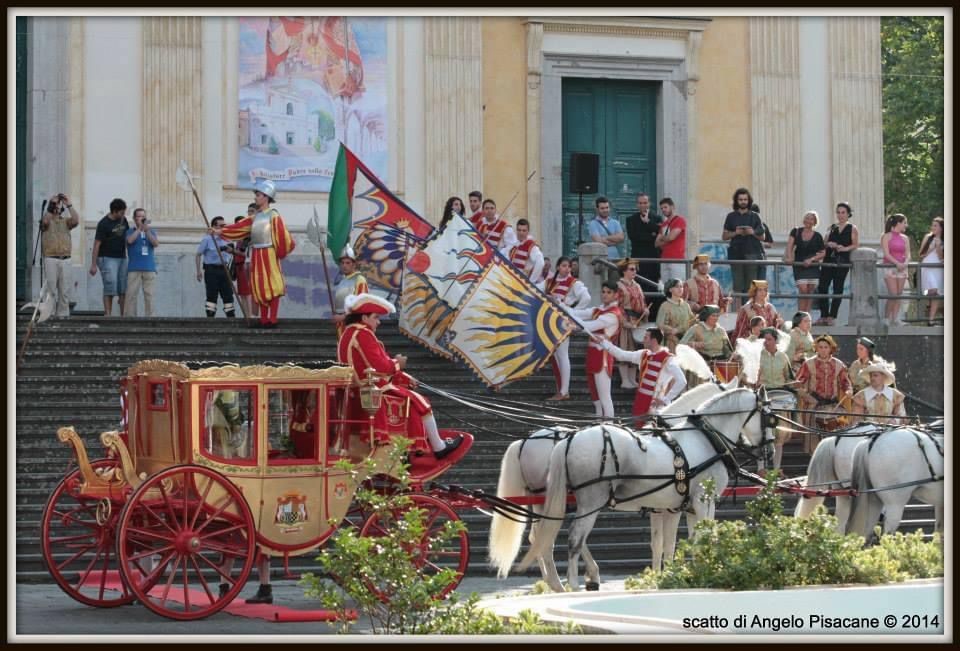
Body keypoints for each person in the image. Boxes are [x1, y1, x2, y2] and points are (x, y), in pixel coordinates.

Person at [337, 292, 464, 458]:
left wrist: (403, 376)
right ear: (364, 318)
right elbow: (381, 367)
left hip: (360, 389)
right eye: (375, 317)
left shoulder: (347, 334)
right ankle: (438, 447)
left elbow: (367, 366)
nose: (378, 322)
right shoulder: (363, 334)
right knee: (420, 401)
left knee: (415, 399)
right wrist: (398, 363)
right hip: (373, 389)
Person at [219, 180, 296, 328]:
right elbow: (239, 227)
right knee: (260, 285)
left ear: (266, 197)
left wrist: (279, 253)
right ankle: (264, 318)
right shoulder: (256, 217)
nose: (255, 198)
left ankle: (272, 318)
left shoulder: (273, 215)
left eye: (258, 195)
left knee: (273, 284)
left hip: (269, 253)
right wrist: (220, 231)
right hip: (257, 253)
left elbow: (282, 235)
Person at [601, 326, 686, 427]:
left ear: (653, 340)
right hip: (640, 403)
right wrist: (604, 343)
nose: (643, 340)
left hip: (656, 407)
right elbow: (621, 355)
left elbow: (682, 381)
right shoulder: (643, 354)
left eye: (646, 337)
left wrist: (666, 399)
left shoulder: (668, 359)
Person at [569, 282, 623, 418]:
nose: (604, 295)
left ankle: (609, 426)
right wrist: (562, 307)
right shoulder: (599, 310)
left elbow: (590, 326)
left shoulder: (613, 314)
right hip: (593, 354)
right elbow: (579, 313)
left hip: (603, 356)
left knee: (605, 397)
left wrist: (570, 323)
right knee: (595, 397)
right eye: (603, 291)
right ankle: (599, 423)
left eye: (608, 292)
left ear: (616, 295)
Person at [795, 334, 853, 453]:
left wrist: (848, 390)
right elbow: (799, 382)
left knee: (839, 432)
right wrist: (804, 393)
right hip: (814, 406)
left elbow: (845, 382)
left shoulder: (839, 364)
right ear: (816, 348)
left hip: (833, 405)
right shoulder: (808, 364)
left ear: (831, 348)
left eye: (826, 347)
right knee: (814, 440)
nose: (823, 349)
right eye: (820, 347)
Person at [544, 256, 591, 401]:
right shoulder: (550, 282)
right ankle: (562, 389)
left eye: (569, 266)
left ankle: (564, 391)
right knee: (558, 356)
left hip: (563, 322)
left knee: (563, 355)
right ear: (558, 267)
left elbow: (586, 298)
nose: (566, 269)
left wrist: (572, 312)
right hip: (551, 321)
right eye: (564, 266)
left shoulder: (573, 283)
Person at [755, 327, 796, 469]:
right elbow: (748, 376)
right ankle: (761, 469)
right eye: (764, 340)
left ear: (775, 341)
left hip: (780, 396)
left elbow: (790, 377)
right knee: (763, 433)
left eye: (769, 339)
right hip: (763, 395)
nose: (766, 342)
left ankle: (777, 469)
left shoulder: (783, 357)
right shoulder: (757, 355)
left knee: (780, 433)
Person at [815, 202, 859, 326]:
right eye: (838, 212)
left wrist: (843, 248)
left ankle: (832, 316)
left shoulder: (852, 228)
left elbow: (855, 244)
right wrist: (829, 244)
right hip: (828, 259)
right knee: (823, 286)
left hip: (842, 261)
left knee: (837, 288)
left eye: (843, 212)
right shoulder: (832, 227)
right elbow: (824, 243)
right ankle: (823, 315)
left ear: (848, 214)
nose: (840, 215)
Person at [721, 188, 765, 310]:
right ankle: (737, 314)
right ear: (736, 201)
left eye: (745, 199)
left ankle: (751, 312)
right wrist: (735, 233)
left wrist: (752, 232)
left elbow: (763, 236)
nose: (743, 201)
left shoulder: (755, 216)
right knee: (737, 286)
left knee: (751, 286)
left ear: (749, 200)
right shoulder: (731, 216)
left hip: (752, 253)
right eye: (740, 199)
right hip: (736, 254)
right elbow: (724, 236)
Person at [40, 193, 80, 319]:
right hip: (51, 257)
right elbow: (45, 221)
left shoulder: (66, 221)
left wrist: (69, 204)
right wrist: (52, 204)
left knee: (64, 289)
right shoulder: (46, 219)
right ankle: (49, 313)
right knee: (51, 288)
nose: (57, 207)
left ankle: (63, 314)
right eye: (55, 205)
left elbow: (76, 220)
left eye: (58, 205)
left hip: (65, 258)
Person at [89, 198, 130, 316]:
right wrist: (93, 265)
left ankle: (123, 315)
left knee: (123, 287)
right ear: (115, 211)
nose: (123, 215)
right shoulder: (103, 224)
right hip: (106, 258)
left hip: (122, 258)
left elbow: (126, 238)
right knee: (110, 285)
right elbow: (97, 244)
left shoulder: (124, 220)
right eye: (122, 212)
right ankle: (108, 314)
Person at [615, 259, 649, 389]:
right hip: (626, 320)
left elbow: (642, 301)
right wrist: (625, 323)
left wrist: (645, 310)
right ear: (624, 270)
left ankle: (632, 378)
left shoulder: (637, 285)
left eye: (635, 269)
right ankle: (625, 380)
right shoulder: (619, 286)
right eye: (632, 269)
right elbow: (618, 307)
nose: (635, 271)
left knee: (635, 350)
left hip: (637, 320)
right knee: (625, 348)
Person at [784, 211, 826, 314]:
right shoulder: (796, 231)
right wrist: (789, 257)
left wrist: (812, 259)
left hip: (812, 266)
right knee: (803, 289)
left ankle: (807, 315)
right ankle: (800, 314)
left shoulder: (817, 236)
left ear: (815, 222)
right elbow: (790, 246)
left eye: (811, 219)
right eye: (807, 218)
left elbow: (823, 253)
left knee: (810, 291)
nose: (808, 220)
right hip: (799, 264)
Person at [195, 216, 236, 318]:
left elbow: (233, 253)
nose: (224, 228)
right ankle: (210, 317)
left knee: (228, 294)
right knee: (212, 294)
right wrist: (198, 271)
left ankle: (231, 317)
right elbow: (198, 254)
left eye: (224, 225)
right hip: (211, 270)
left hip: (225, 270)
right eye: (221, 226)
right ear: (214, 227)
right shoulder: (207, 239)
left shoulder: (227, 239)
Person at [123, 208, 159, 317]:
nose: (142, 218)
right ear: (134, 218)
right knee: (131, 295)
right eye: (139, 216)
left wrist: (146, 230)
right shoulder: (130, 231)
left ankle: (150, 317)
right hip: (134, 268)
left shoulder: (151, 231)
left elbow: (155, 243)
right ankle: (130, 317)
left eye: (143, 216)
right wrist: (139, 229)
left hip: (149, 268)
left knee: (150, 294)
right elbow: (129, 241)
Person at [851, 362, 906, 426]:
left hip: (890, 432)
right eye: (871, 376)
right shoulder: (861, 396)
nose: (872, 378)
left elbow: (901, 416)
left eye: (875, 375)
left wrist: (895, 421)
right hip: (868, 433)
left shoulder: (896, 395)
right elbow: (856, 419)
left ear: (883, 377)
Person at [880, 213, 911, 326]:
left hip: (902, 268)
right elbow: (886, 254)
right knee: (893, 294)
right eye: (904, 223)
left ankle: (896, 318)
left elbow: (908, 254)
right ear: (898, 223)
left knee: (899, 294)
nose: (906, 225)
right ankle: (886, 318)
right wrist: (897, 263)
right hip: (890, 267)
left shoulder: (905, 238)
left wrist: (905, 263)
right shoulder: (886, 236)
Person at [624, 193, 661, 286]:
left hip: (654, 257)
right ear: (637, 204)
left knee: (654, 284)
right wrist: (651, 235)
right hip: (638, 256)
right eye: (640, 203)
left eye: (645, 203)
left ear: (649, 204)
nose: (642, 205)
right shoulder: (631, 219)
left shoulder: (657, 218)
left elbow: (660, 235)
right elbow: (633, 237)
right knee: (639, 283)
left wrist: (648, 223)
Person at [331, 244, 368, 336]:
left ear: (354, 264)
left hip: (353, 326)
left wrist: (342, 317)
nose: (344, 266)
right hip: (342, 326)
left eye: (348, 263)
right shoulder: (342, 281)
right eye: (342, 263)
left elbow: (361, 306)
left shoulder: (360, 280)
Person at [231, 208, 259, 319]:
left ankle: (252, 315)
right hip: (238, 267)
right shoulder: (237, 239)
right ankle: (246, 315)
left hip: (246, 265)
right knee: (242, 293)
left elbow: (247, 255)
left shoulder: (248, 237)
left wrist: (233, 251)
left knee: (248, 293)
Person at [655, 278, 695, 353]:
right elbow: (659, 324)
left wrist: (696, 320)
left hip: (686, 341)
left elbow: (691, 320)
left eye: (681, 286)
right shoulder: (665, 306)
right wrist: (671, 330)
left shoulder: (686, 305)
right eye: (677, 287)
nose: (680, 289)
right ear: (670, 289)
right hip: (672, 342)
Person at [918, 217, 944, 325]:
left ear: (941, 228)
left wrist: (938, 248)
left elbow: (942, 258)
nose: (933, 227)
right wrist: (932, 248)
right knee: (932, 290)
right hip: (927, 266)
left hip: (938, 268)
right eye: (932, 225)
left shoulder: (945, 239)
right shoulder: (928, 237)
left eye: (935, 225)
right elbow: (921, 254)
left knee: (936, 293)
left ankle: (931, 319)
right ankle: (928, 309)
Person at [654, 197, 687, 282]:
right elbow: (656, 243)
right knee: (666, 287)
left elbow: (671, 237)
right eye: (662, 208)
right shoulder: (664, 224)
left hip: (677, 258)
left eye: (665, 207)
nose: (663, 210)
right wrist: (666, 238)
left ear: (672, 207)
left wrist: (662, 238)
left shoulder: (680, 220)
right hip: (664, 258)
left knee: (677, 285)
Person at [784, 311, 815, 376]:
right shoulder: (792, 335)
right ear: (799, 323)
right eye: (805, 321)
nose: (809, 323)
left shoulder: (808, 334)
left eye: (810, 321)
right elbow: (788, 356)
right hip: (796, 369)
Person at [751, 202, 774, 281]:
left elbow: (770, 243)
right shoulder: (743, 227)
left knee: (760, 282)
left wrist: (761, 243)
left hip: (761, 255)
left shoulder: (762, 225)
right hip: (749, 256)